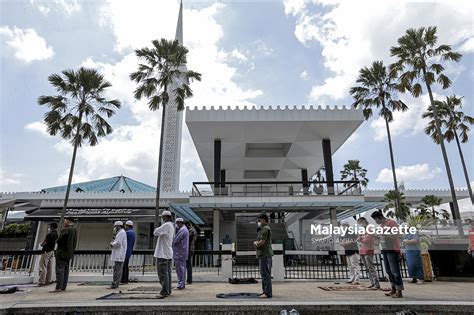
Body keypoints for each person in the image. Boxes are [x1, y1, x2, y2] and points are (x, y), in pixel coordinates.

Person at [371, 210, 404, 298]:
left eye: (376, 220)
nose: (376, 222)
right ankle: (393, 289)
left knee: (395, 271)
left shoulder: (391, 223)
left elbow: (395, 235)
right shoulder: (381, 225)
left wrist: (383, 234)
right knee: (389, 271)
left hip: (392, 249)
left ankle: (399, 291)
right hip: (385, 249)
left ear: (380, 217)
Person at [51, 217, 77, 293]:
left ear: (68, 221)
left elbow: (61, 240)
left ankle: (58, 287)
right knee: (66, 271)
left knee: (60, 270)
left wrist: (57, 241)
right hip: (69, 253)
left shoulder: (66, 230)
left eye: (65, 221)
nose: (64, 222)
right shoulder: (74, 230)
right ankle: (63, 287)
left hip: (62, 253)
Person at [154, 210, 175, 298]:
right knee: (167, 273)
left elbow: (155, 232)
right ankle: (168, 290)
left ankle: (164, 291)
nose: (162, 219)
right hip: (168, 253)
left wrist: (156, 229)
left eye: (163, 217)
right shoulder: (171, 226)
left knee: (163, 273)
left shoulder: (166, 225)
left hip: (163, 253)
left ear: (165, 217)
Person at [357, 217, 380, 289]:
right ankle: (372, 282)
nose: (360, 224)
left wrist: (361, 239)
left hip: (368, 249)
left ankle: (376, 283)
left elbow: (367, 239)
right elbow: (359, 238)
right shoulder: (363, 229)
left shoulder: (370, 228)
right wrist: (361, 238)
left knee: (371, 267)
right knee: (367, 268)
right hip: (362, 250)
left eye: (360, 222)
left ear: (364, 221)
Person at [254, 213, 273, 298]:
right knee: (264, 274)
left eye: (260, 220)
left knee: (265, 274)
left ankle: (267, 293)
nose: (259, 222)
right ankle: (265, 291)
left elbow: (262, 242)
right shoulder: (264, 228)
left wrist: (255, 243)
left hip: (264, 254)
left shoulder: (265, 229)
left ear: (263, 220)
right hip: (264, 254)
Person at [339, 220, 360, 285]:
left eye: (344, 225)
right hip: (347, 251)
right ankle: (352, 278)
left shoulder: (351, 232)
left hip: (353, 251)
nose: (343, 227)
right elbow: (341, 242)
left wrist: (344, 243)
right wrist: (343, 243)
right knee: (350, 266)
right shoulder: (343, 233)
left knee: (355, 265)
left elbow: (350, 241)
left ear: (348, 226)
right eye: (342, 225)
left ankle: (357, 279)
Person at [108, 221, 127, 289]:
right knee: (117, 269)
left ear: (118, 226)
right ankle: (116, 283)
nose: (115, 228)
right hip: (119, 254)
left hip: (119, 254)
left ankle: (115, 284)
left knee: (117, 270)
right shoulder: (121, 232)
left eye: (115, 226)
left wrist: (112, 244)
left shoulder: (121, 233)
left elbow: (118, 243)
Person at [173, 218, 189, 290]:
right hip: (181, 252)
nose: (176, 225)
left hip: (180, 253)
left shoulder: (182, 230)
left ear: (179, 223)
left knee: (180, 269)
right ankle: (182, 284)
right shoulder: (184, 229)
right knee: (182, 269)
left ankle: (180, 285)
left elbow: (176, 241)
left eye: (177, 223)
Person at [121, 220, 136, 284]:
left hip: (125, 251)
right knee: (126, 266)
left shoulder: (127, 233)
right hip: (129, 251)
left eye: (126, 225)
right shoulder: (133, 233)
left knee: (124, 266)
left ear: (128, 226)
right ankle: (125, 279)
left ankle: (124, 280)